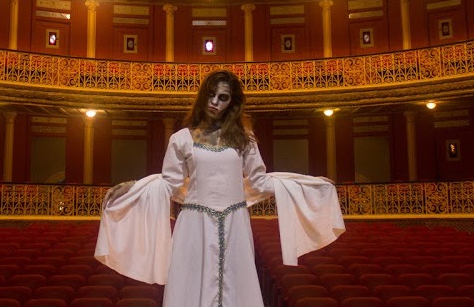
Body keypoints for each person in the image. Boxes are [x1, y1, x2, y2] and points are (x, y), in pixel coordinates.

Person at [95, 70, 345, 306]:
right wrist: (131, 187)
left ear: (232, 103)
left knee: (236, 286)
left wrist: (310, 184)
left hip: (235, 223)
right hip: (194, 225)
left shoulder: (244, 139)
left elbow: (260, 181)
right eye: (211, 94)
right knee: (190, 285)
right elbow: (169, 183)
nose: (214, 102)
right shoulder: (181, 139)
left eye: (223, 97)